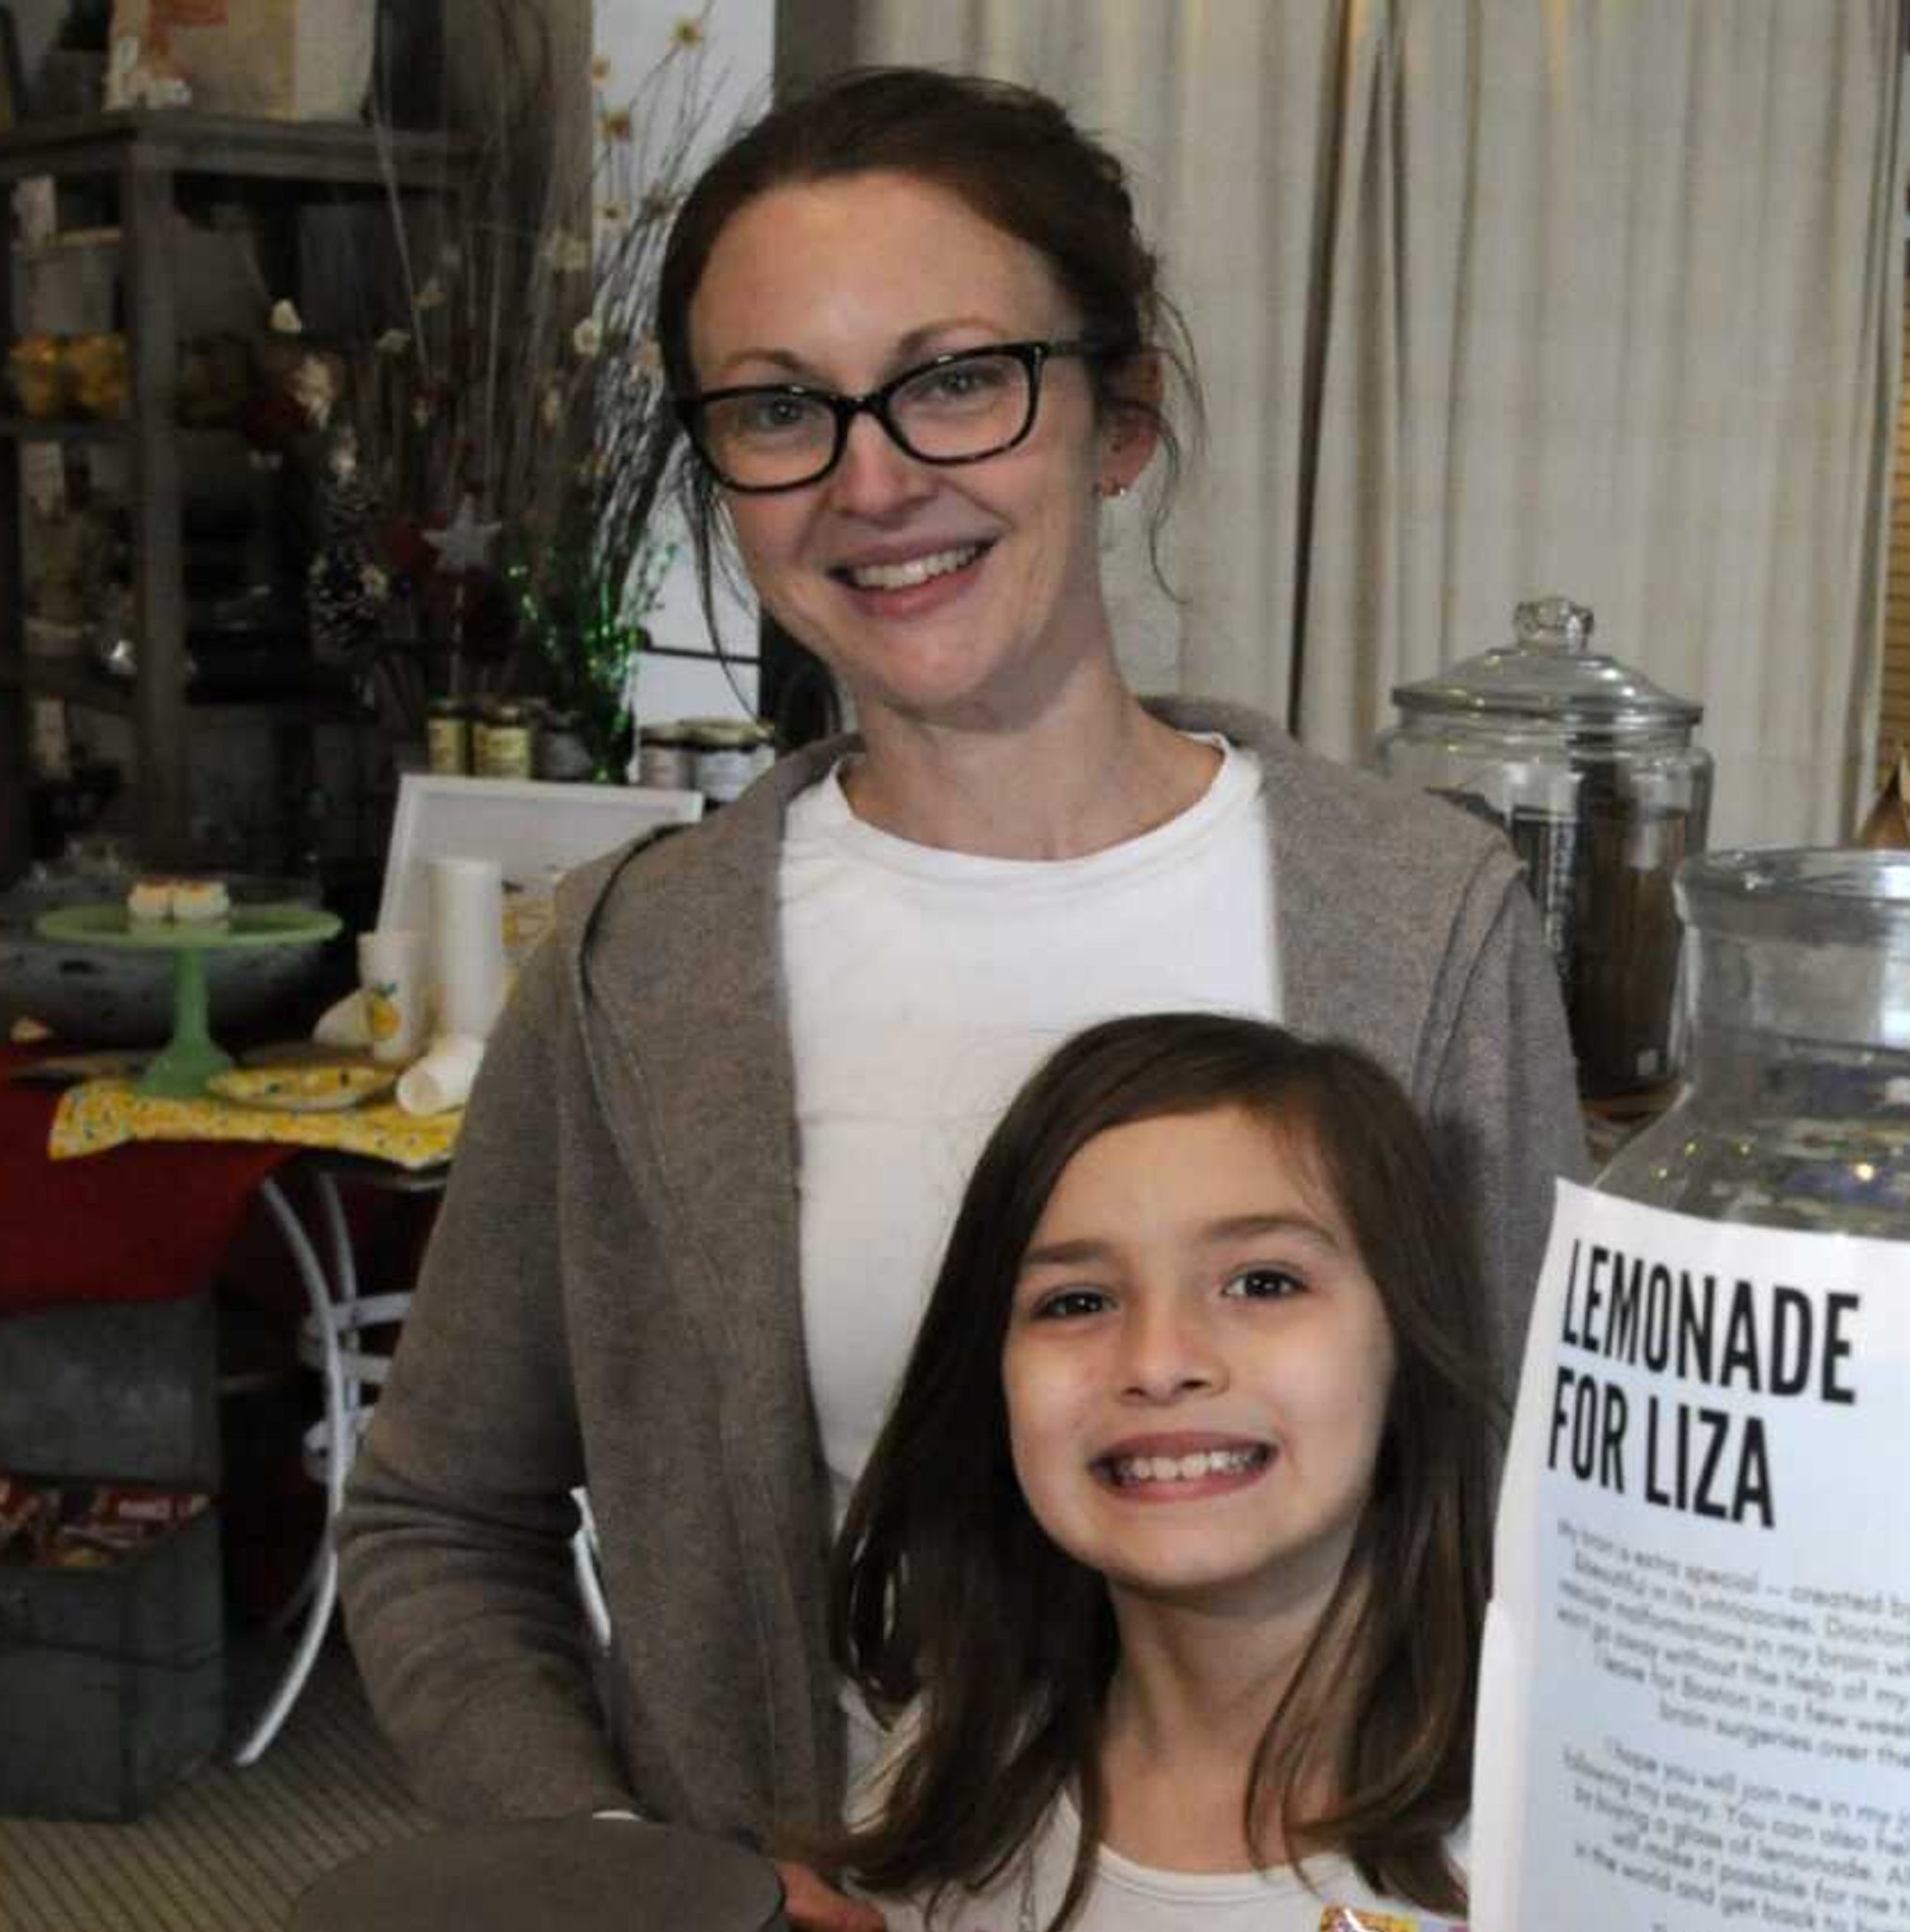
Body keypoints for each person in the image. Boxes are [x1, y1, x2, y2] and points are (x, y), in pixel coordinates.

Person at [335, 66, 1582, 1840]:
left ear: (1119, 411)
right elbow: (438, 1523)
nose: (874, 480)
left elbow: (1568, 1515)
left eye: (955, 380)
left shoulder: (1420, 921)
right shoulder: (639, 975)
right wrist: (630, 1893)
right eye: (779, 410)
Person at [781, 1013, 1492, 1932]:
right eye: (1076, 1301)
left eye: (1265, 1280)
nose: (1161, 1357)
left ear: (1409, 1342)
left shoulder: (1443, 1887)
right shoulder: (951, 1799)